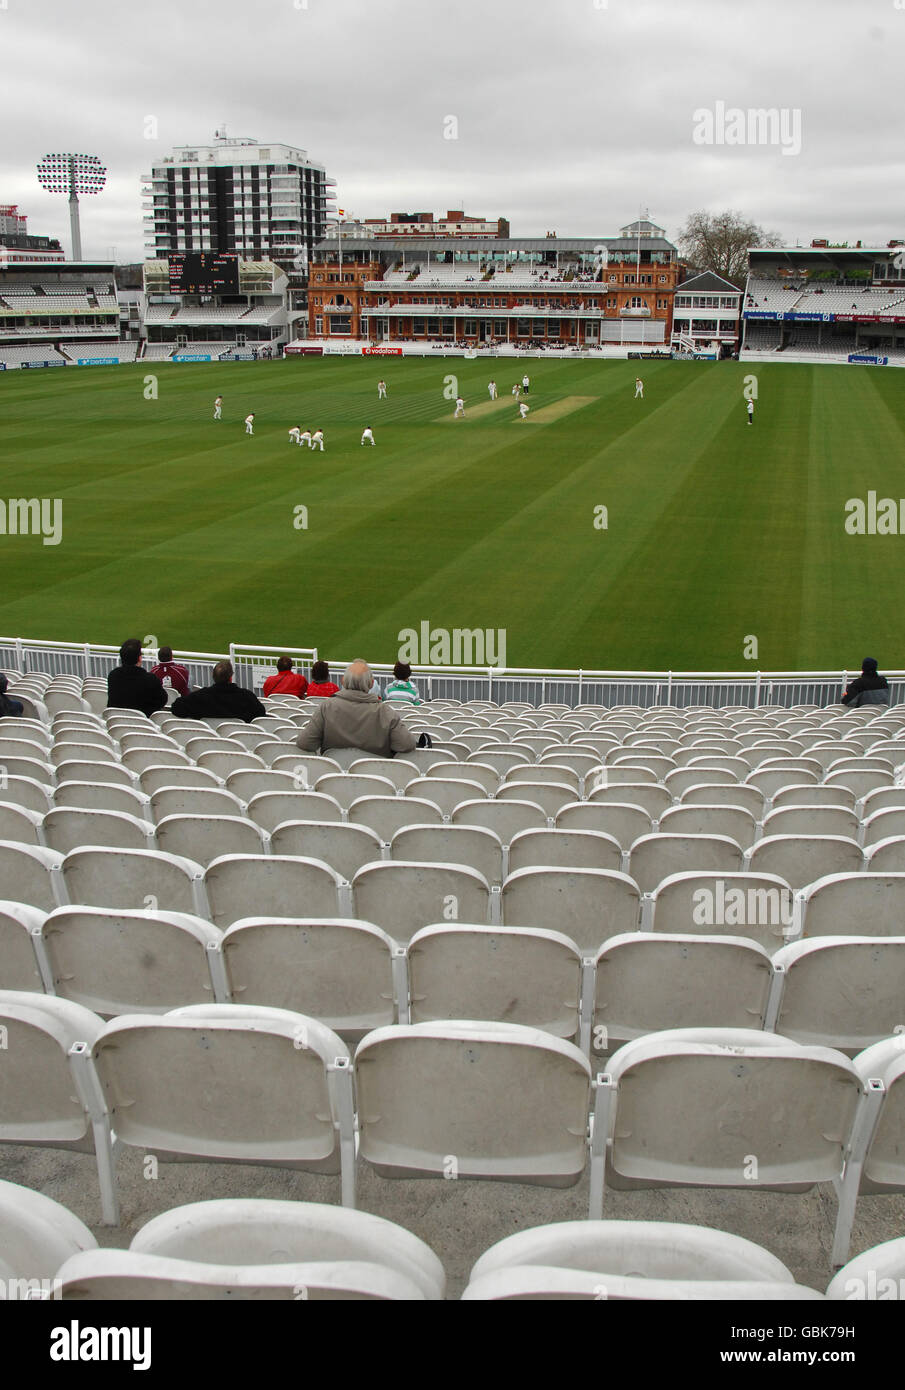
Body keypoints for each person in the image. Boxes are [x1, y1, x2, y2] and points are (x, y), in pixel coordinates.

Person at [296, 659, 417, 758]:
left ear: (343, 681)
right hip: (374, 780)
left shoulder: (326, 707)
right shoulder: (386, 712)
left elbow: (305, 743)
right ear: (371, 683)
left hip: (334, 781)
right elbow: (407, 744)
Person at [171, 660, 266, 723]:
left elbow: (176, 707)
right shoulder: (246, 696)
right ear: (231, 677)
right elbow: (260, 714)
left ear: (213, 677)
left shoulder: (200, 696)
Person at [107, 638, 167, 716]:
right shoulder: (150, 679)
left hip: (118, 723)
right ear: (139, 658)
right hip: (144, 724)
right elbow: (162, 700)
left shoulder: (113, 675)